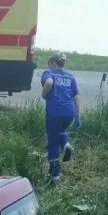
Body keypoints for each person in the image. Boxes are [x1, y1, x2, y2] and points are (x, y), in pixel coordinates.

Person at [41, 53, 80, 188]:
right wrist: (78, 115)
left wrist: (44, 94)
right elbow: (76, 96)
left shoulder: (49, 72)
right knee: (61, 131)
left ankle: (55, 177)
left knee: (52, 143)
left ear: (53, 63)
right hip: (70, 112)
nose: (49, 66)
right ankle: (66, 145)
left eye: (49, 64)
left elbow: (49, 82)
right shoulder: (70, 76)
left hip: (54, 113)